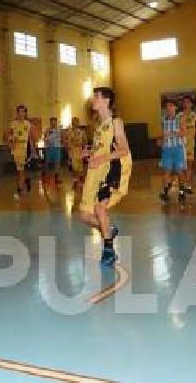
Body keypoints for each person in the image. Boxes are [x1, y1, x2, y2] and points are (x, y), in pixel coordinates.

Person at [78, 87, 132, 267]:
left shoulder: (115, 122)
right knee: (85, 215)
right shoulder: (99, 126)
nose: (93, 99)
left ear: (106, 101)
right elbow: (101, 149)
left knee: (100, 208)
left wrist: (100, 157)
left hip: (111, 169)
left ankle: (109, 250)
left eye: (96, 96)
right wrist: (89, 153)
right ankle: (108, 229)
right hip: (96, 170)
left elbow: (123, 150)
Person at [159, 99, 189, 211]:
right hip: (167, 148)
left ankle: (181, 192)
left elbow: (184, 132)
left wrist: (170, 134)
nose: (168, 108)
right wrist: (161, 140)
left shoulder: (180, 118)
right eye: (167, 106)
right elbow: (163, 134)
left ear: (175, 107)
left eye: (171, 106)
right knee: (166, 172)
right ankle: (165, 193)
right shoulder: (163, 120)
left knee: (180, 171)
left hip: (178, 148)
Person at [7, 104, 33, 200]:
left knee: (21, 171)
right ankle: (25, 182)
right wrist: (10, 144)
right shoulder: (13, 124)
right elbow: (7, 135)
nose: (21, 113)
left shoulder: (28, 124)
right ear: (17, 113)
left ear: (25, 113)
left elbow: (31, 137)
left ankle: (20, 190)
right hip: (16, 149)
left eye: (23, 111)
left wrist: (33, 149)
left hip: (25, 149)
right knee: (19, 171)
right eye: (19, 111)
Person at [179, 96, 196, 194]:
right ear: (183, 104)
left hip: (190, 144)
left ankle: (188, 186)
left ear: (191, 104)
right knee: (181, 167)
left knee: (189, 166)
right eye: (185, 102)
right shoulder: (179, 115)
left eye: (188, 102)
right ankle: (182, 186)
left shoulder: (194, 115)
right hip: (181, 143)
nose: (186, 104)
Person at [65, 117, 87, 190]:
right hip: (72, 152)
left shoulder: (81, 131)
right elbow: (65, 140)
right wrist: (67, 146)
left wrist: (84, 148)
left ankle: (80, 181)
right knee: (73, 168)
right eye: (74, 121)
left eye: (77, 121)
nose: (75, 123)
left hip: (79, 151)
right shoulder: (69, 131)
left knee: (80, 167)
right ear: (72, 122)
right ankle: (75, 182)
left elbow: (85, 140)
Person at [42, 117, 64, 183]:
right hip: (49, 148)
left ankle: (56, 178)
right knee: (47, 163)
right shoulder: (47, 130)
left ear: (56, 122)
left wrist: (63, 143)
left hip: (57, 148)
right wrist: (47, 135)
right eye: (52, 123)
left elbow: (62, 138)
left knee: (57, 163)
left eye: (54, 123)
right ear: (50, 123)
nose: (53, 124)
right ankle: (45, 175)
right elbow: (45, 138)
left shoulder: (59, 130)